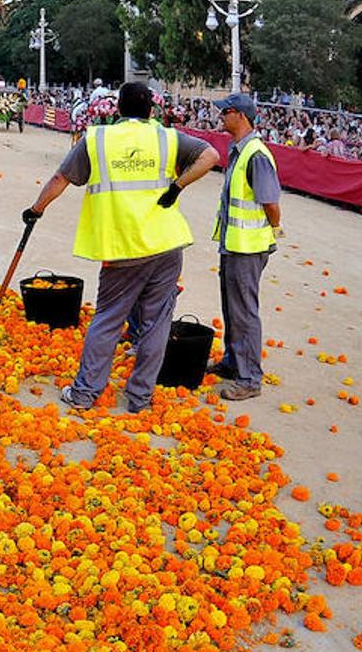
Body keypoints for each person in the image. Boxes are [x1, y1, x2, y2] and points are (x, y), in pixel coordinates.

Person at [22, 82, 221, 413]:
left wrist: (36, 209)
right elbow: (211, 156)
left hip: (122, 247)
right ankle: (140, 398)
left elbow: (60, 179)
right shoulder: (166, 137)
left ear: (117, 109)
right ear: (151, 111)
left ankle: (85, 393)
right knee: (157, 323)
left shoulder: (98, 138)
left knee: (108, 320)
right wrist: (177, 186)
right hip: (166, 245)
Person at [206, 93, 283, 402]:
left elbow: (271, 204)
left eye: (225, 112)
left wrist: (274, 229)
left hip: (247, 248)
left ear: (239, 115)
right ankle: (232, 362)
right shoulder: (241, 150)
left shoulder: (255, 155)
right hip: (235, 245)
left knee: (244, 313)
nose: (221, 117)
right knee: (232, 308)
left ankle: (249, 378)